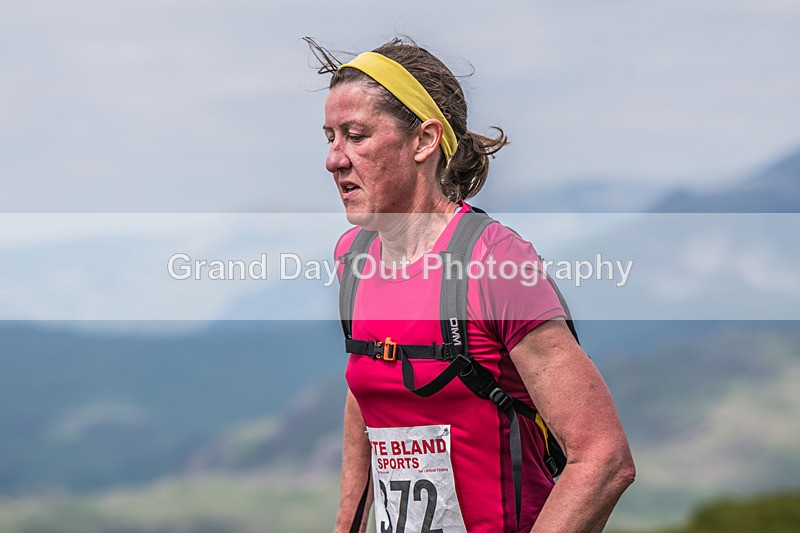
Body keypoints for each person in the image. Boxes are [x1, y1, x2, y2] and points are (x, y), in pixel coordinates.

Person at [306, 36, 635, 532]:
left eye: (356, 135)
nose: (334, 159)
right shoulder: (353, 260)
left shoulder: (495, 265)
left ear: (423, 140)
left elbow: (603, 458)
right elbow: (369, 391)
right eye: (330, 136)